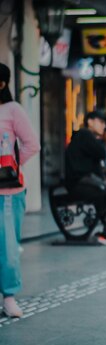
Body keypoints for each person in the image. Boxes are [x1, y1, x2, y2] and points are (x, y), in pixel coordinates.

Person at [0, 63, 40, 318]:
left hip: (7, 192)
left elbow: (32, 144)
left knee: (7, 246)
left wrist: (11, 167)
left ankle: (9, 296)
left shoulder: (12, 110)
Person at [65, 110, 106, 245]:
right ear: (90, 122)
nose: (103, 126)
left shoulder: (84, 137)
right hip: (81, 182)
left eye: (104, 123)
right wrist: (104, 140)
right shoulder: (85, 134)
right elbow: (101, 153)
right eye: (100, 122)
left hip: (84, 181)